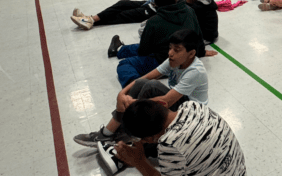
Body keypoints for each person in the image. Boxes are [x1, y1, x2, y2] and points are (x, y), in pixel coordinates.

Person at [73, 29, 208, 148]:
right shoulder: (174, 60)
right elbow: (146, 77)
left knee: (152, 87)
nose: (170, 53)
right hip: (180, 105)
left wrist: (133, 103)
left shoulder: (195, 71)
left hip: (192, 115)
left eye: (176, 49)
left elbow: (166, 101)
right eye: (170, 48)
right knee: (141, 83)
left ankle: (123, 132)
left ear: (191, 54)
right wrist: (122, 94)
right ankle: (111, 133)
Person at [103, 98, 246, 176]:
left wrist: (139, 161)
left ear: (147, 140)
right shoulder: (192, 106)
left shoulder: (170, 145)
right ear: (160, 103)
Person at [109, 0, 207, 88]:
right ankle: (120, 48)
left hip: (163, 62)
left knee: (125, 64)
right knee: (142, 46)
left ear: (155, 3)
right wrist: (202, 52)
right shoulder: (190, 11)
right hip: (186, 60)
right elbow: (199, 37)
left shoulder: (154, 21)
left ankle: (134, 86)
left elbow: (143, 51)